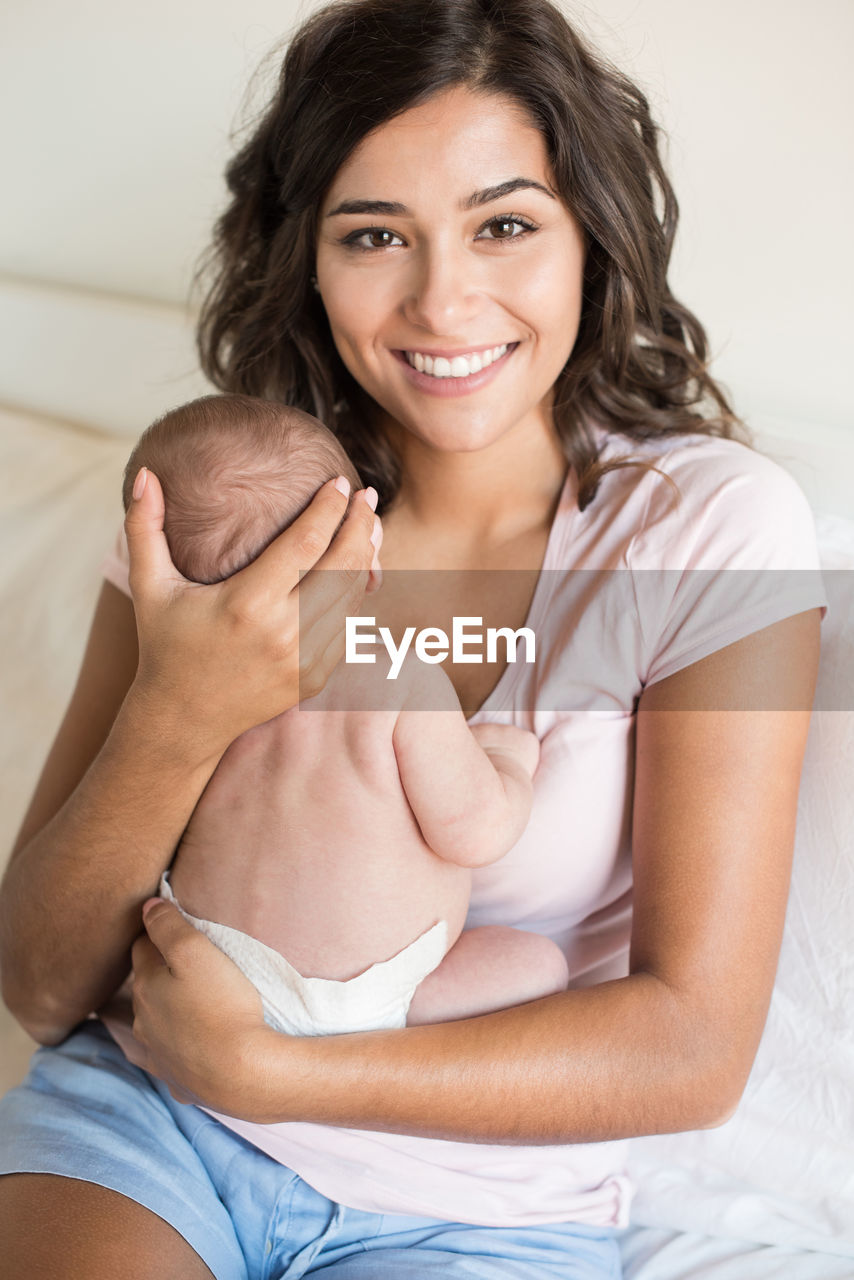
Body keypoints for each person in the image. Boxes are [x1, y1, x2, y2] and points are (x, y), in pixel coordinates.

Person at [0, 1, 826, 1277]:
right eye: (373, 234)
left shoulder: (709, 528)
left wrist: (271, 1066)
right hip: (155, 1117)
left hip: (478, 1208)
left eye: (503, 224)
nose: (443, 301)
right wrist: (179, 711)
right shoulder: (230, 507)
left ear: (587, 240)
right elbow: (43, 985)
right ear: (306, 258)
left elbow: (688, 1047)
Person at [100, 391, 565, 1051]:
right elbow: (477, 831)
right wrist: (507, 762)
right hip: (374, 1001)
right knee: (537, 965)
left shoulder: (197, 698)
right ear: (366, 552)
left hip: (212, 979)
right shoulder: (400, 680)